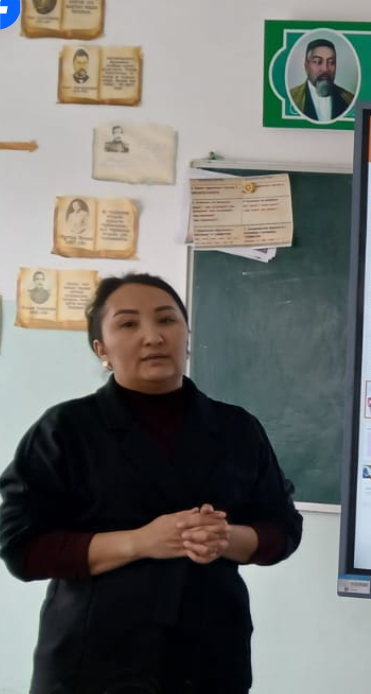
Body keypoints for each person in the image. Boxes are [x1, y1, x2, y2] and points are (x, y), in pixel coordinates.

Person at [0, 273, 304, 694]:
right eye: (128, 323)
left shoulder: (237, 428)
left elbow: (282, 529)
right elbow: (22, 548)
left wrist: (224, 539)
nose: (153, 336)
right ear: (102, 349)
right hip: (93, 661)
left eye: (166, 320)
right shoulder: (65, 430)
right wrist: (140, 542)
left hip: (211, 656)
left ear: (187, 336)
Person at [288, 38, 355, 122]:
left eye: (331, 62)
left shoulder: (350, 99)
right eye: (317, 62)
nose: (325, 69)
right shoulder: (292, 98)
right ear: (306, 66)